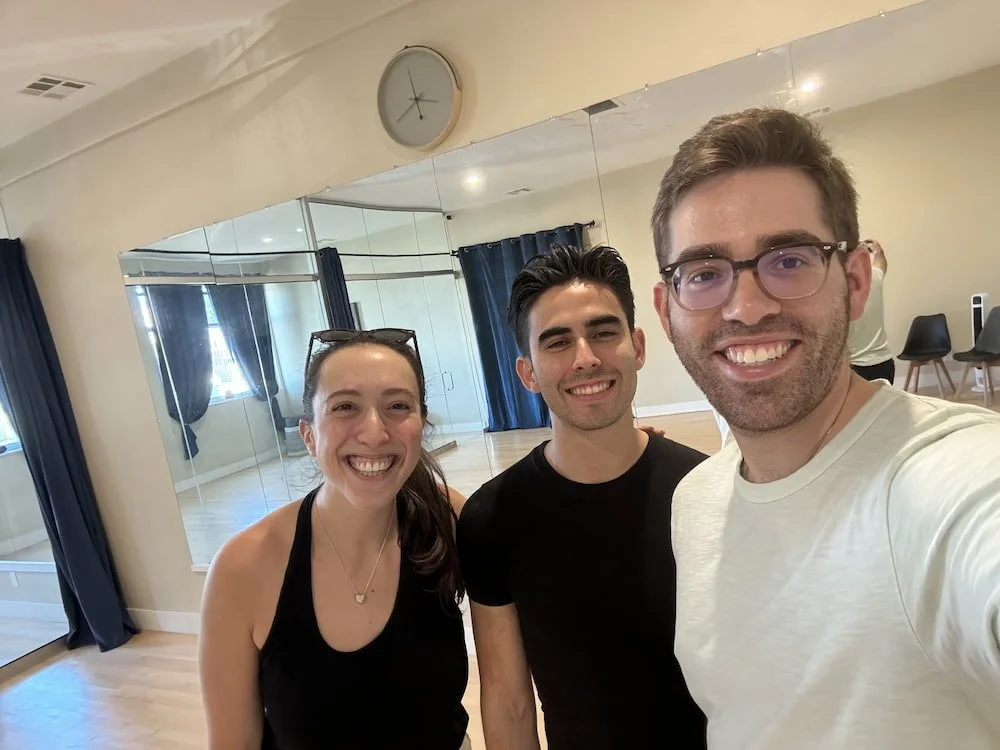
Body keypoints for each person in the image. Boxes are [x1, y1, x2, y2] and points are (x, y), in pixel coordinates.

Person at [650, 107, 1000, 748]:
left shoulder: (943, 479)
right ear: (666, 311)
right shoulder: (694, 501)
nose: (746, 307)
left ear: (856, 282)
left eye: (788, 260)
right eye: (703, 273)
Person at [457, 244, 708, 750]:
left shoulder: (705, 490)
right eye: (557, 342)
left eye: (603, 333)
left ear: (638, 345)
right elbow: (508, 701)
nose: (586, 358)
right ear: (528, 373)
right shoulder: (492, 519)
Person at [198, 329, 471, 750]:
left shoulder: (448, 520)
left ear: (422, 424)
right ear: (308, 435)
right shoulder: (243, 567)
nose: (375, 433)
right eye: (345, 407)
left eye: (398, 406)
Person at [848, 238, 896, 382]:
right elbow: (881, 264)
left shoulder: (834, 289)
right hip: (884, 364)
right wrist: (878, 251)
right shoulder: (873, 278)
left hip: (854, 368)